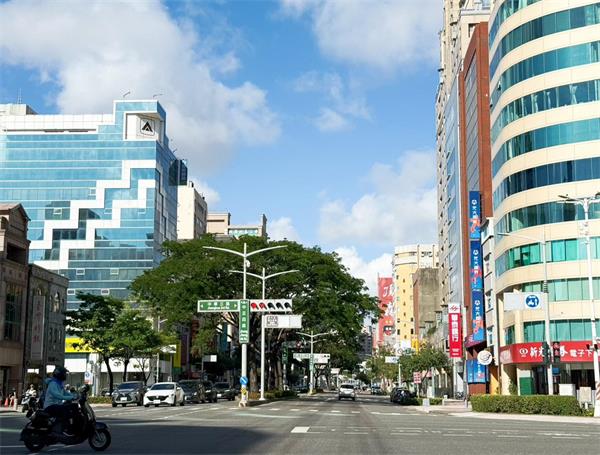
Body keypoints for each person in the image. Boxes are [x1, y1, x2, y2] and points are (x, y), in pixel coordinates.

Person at [43, 366, 78, 435]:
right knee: (65, 410)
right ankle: (65, 429)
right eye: (64, 373)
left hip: (56, 405)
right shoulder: (53, 384)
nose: (65, 375)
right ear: (59, 374)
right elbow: (58, 396)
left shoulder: (59, 383)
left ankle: (74, 428)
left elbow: (65, 393)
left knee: (74, 406)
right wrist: (71, 398)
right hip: (50, 406)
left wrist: (75, 395)